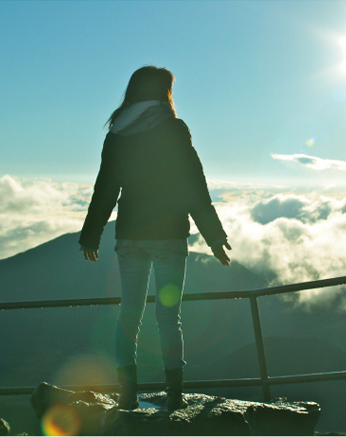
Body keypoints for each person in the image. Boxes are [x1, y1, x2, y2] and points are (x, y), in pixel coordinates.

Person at [78, 66, 231, 412]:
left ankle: (127, 395)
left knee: (128, 314)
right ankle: (175, 396)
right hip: (168, 235)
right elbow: (194, 184)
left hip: (129, 234)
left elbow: (106, 187)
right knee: (168, 317)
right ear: (164, 93)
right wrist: (214, 236)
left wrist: (91, 235)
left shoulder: (117, 132)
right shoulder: (174, 129)